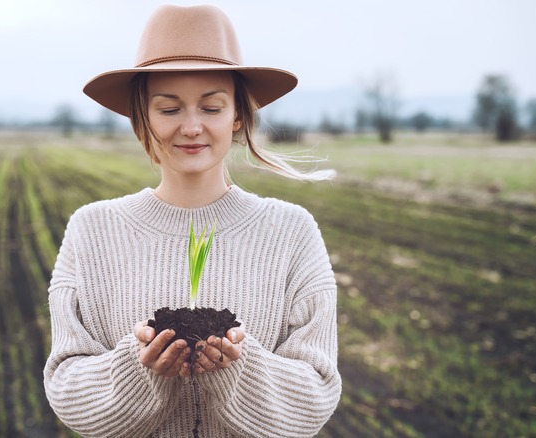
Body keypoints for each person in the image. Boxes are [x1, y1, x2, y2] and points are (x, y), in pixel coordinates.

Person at [43, 4, 341, 437]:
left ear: (237, 114)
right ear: (140, 116)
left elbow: (316, 393)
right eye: (169, 109)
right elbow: (66, 384)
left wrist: (240, 366)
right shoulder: (93, 230)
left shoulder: (291, 232)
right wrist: (137, 368)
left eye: (211, 107)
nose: (191, 126)